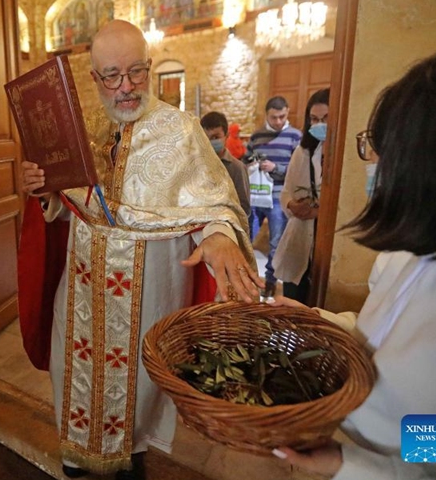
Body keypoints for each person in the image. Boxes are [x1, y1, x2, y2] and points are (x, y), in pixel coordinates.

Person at [19, 20, 261, 480]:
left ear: (149, 69)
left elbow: (217, 205)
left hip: (148, 297)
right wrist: (46, 193)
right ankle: (76, 458)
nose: (125, 87)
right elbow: (70, 208)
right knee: (74, 383)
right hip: (81, 297)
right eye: (112, 75)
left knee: (137, 398)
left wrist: (218, 235)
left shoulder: (182, 131)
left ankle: (132, 456)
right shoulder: (80, 130)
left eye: (136, 72)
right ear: (95, 79)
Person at [271, 41, 436, 479]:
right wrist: (320, 323)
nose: (374, 164)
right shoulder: (410, 252)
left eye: (385, 152)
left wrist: (361, 463)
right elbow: (378, 337)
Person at [272, 89, 329, 303]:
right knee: (294, 299)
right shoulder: (303, 151)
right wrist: (292, 205)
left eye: (326, 118)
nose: (320, 124)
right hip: (300, 234)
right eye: (314, 119)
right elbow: (287, 190)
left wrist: (318, 211)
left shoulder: (343, 155)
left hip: (326, 237)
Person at [246, 96, 302, 297]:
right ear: (266, 115)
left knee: (276, 241)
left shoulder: (295, 136)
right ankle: (248, 279)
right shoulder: (256, 136)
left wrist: (275, 168)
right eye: (274, 117)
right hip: (255, 196)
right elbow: (246, 159)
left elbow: (300, 170)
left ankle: (270, 281)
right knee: (246, 238)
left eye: (282, 117)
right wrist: (251, 165)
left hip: (278, 197)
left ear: (287, 113)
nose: (278, 121)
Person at [201, 111, 251, 220]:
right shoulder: (198, 166)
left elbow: (244, 207)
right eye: (206, 138)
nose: (210, 142)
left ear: (226, 136)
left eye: (215, 137)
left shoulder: (237, 168)